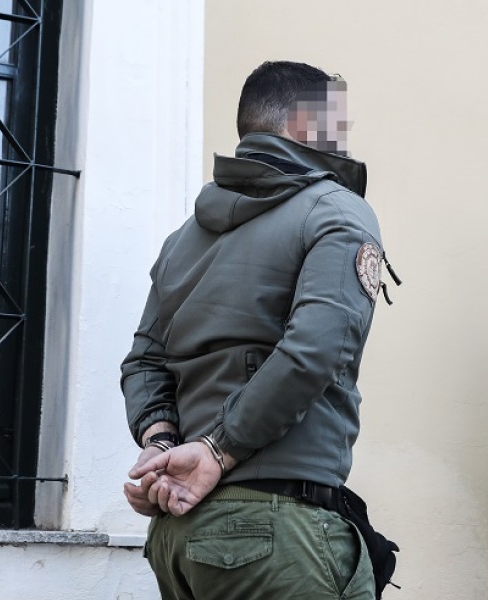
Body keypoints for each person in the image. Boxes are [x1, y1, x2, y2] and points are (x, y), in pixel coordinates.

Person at [121, 61, 385, 600]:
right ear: (307, 124)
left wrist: (161, 444)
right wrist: (216, 450)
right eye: (338, 123)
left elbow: (144, 361)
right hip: (277, 531)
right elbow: (314, 350)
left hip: (177, 535)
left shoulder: (182, 239)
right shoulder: (337, 211)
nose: (345, 137)